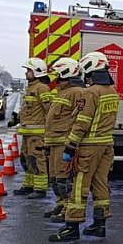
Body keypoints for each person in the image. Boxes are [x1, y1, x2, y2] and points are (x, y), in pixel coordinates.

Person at [49, 52, 119, 242]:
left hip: (89, 147)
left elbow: (82, 122)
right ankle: (99, 224)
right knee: (100, 184)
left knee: (79, 186)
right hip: (106, 145)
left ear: (90, 68)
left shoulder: (91, 92)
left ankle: (72, 226)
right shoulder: (112, 91)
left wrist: (70, 146)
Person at [43, 58, 86, 222]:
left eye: (59, 75)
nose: (56, 79)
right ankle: (61, 204)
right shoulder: (62, 92)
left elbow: (80, 117)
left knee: (64, 179)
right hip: (55, 142)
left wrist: (72, 143)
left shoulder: (77, 92)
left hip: (64, 143)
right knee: (54, 179)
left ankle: (67, 208)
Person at [13, 57, 53, 199]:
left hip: (37, 133)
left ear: (36, 72)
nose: (26, 73)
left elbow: (49, 110)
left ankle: (40, 189)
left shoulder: (42, 89)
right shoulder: (31, 88)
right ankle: (29, 185)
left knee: (37, 159)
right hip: (27, 132)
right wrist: (16, 117)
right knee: (26, 159)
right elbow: (27, 109)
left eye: (29, 70)